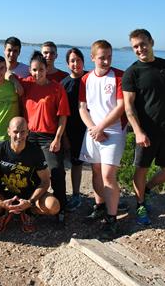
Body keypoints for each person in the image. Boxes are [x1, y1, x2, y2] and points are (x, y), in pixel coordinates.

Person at [122, 29, 165, 225]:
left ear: (151, 42)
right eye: (135, 46)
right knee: (141, 169)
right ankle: (140, 204)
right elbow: (128, 106)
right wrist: (138, 131)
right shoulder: (132, 72)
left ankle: (146, 189)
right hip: (145, 132)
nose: (140, 49)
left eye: (143, 44)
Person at [0, 117, 60, 233]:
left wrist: (30, 201)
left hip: (29, 194)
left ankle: (28, 213)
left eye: (23, 131)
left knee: (53, 206)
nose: (19, 136)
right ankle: (3, 213)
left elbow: (45, 180)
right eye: (15, 132)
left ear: (28, 132)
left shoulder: (35, 151)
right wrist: (0, 201)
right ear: (8, 131)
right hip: (4, 194)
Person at [79, 40, 128, 238]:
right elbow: (82, 108)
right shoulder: (85, 79)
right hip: (93, 131)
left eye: (109, 57)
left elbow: (120, 106)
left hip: (113, 131)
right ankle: (99, 205)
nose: (106, 61)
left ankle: (111, 218)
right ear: (93, 58)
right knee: (96, 171)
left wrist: (101, 127)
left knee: (108, 175)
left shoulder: (118, 76)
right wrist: (93, 128)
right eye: (102, 57)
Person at [18, 51, 70, 223]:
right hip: (29, 136)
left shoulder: (56, 88)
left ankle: (61, 206)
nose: (37, 73)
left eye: (40, 69)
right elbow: (9, 77)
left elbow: (63, 116)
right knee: (27, 171)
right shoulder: (26, 84)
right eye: (33, 70)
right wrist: (11, 77)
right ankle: (28, 206)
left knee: (56, 171)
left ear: (46, 69)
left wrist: (57, 138)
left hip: (49, 137)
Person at [61, 48, 87, 211]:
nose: (75, 63)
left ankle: (106, 197)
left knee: (99, 165)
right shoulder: (63, 84)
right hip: (72, 130)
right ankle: (76, 194)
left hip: (92, 128)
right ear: (67, 64)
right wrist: (64, 136)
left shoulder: (91, 78)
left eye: (78, 60)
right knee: (75, 163)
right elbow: (61, 112)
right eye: (72, 61)